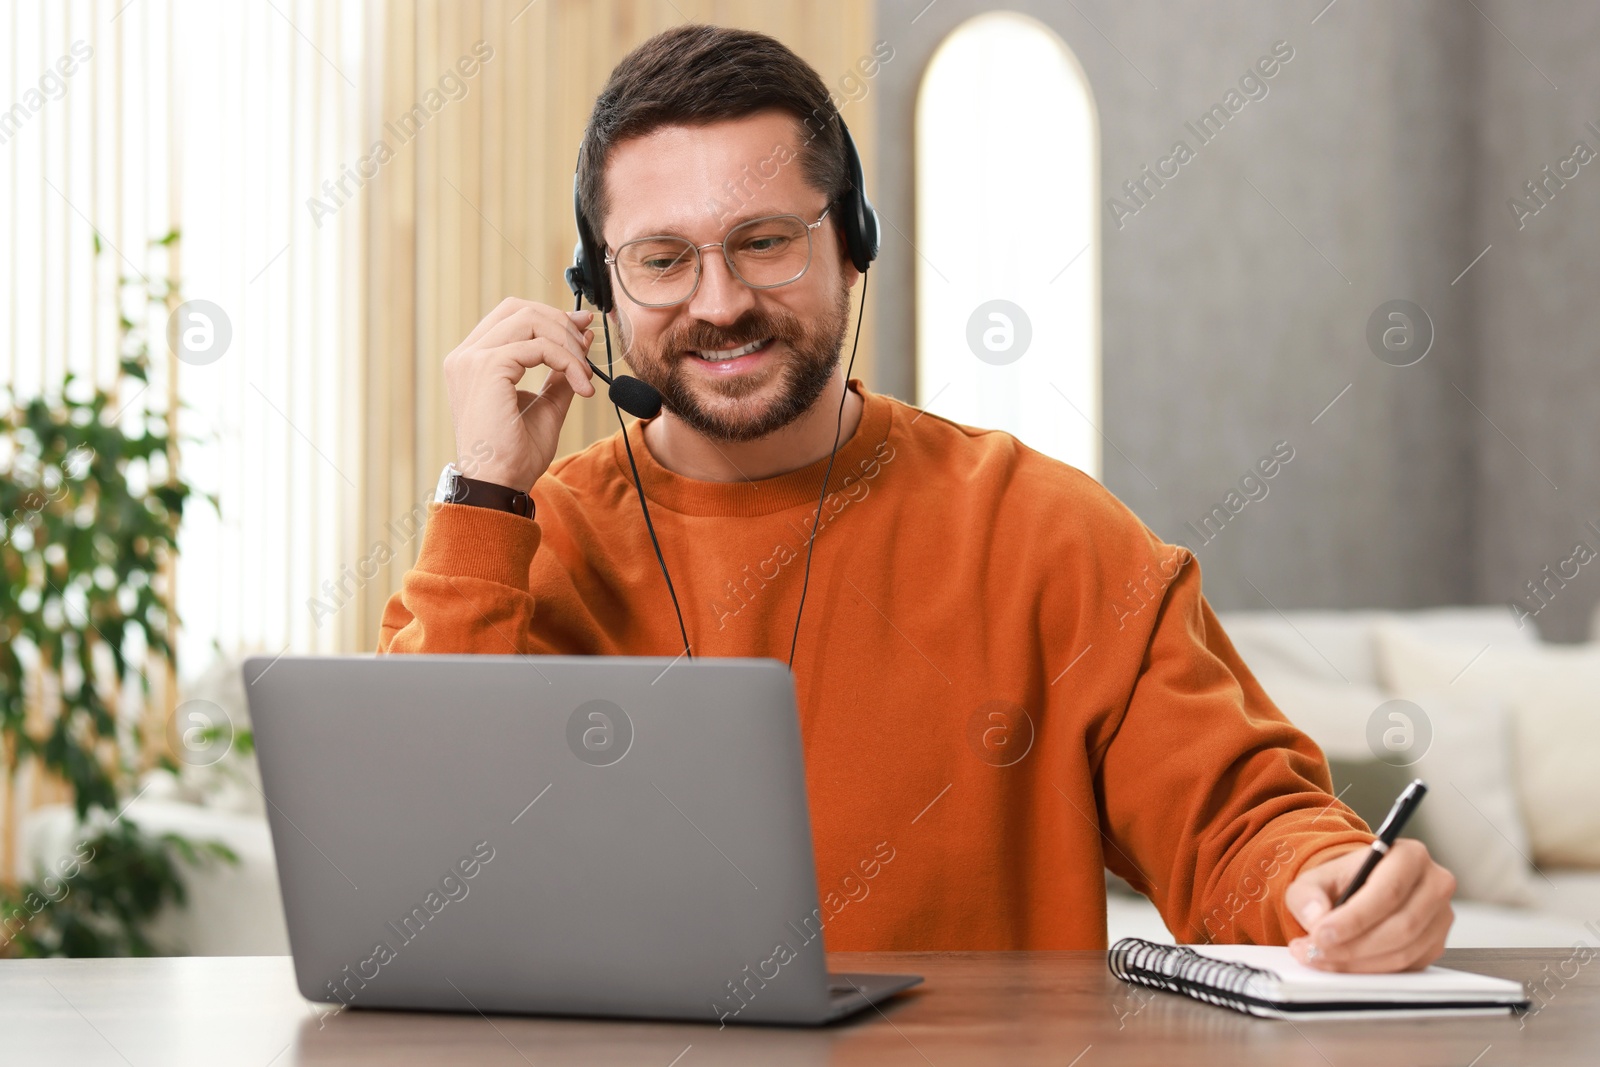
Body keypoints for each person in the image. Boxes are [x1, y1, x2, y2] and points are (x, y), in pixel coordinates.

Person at [380, 23, 1455, 972]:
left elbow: (1237, 825)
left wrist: (1326, 883)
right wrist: (481, 492)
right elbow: (409, 874)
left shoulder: (1043, 530)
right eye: (662, 258)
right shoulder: (525, 539)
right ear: (598, 290)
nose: (719, 302)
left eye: (765, 241)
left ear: (853, 245)